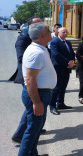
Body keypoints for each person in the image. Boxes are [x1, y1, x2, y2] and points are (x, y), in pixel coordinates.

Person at [18, 22, 57, 156]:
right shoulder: (36, 52)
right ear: (42, 35)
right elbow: (29, 79)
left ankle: (32, 153)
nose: (51, 32)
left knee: (36, 128)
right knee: (32, 130)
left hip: (42, 93)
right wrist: (36, 102)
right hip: (37, 94)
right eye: (48, 31)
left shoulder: (41, 48)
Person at [12, 17, 43, 144]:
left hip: (38, 77)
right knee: (32, 105)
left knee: (34, 106)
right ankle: (19, 134)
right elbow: (21, 58)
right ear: (31, 25)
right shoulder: (23, 39)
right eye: (38, 23)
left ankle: (35, 126)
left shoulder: (39, 37)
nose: (42, 25)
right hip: (28, 78)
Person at [49, 27, 75, 115]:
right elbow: (56, 55)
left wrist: (72, 61)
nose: (65, 33)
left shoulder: (68, 42)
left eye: (66, 32)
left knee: (63, 87)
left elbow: (72, 53)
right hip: (58, 68)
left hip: (67, 68)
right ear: (58, 33)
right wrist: (67, 62)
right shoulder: (54, 42)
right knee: (56, 88)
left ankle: (60, 103)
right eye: (63, 32)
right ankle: (52, 106)